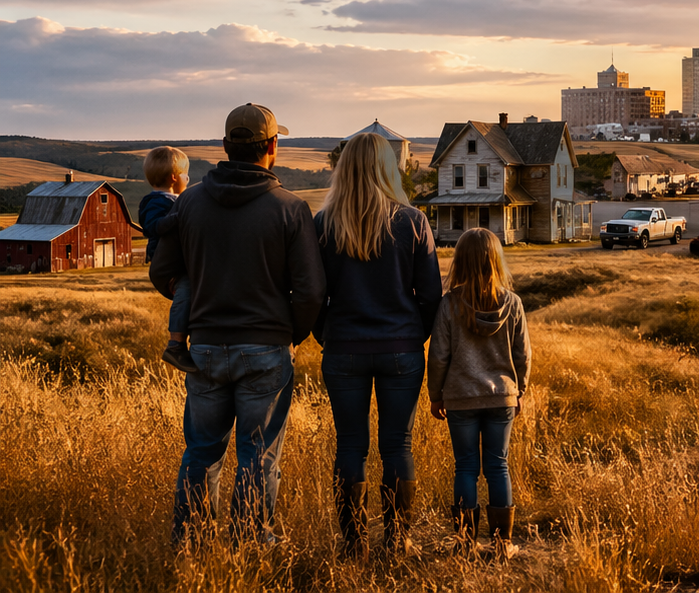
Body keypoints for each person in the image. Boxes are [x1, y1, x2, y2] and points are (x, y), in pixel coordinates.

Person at [149, 103, 325, 545]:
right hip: (266, 349)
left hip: (205, 346)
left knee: (202, 451)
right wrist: (289, 333)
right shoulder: (290, 208)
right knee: (257, 453)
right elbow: (310, 292)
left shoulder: (188, 203)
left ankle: (190, 542)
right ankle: (250, 540)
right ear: (272, 147)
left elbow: (163, 270)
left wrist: (201, 299)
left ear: (226, 147)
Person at [315, 133, 443, 557]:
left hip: (343, 349)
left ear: (344, 168)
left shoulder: (324, 223)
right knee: (398, 447)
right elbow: (430, 296)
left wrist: (327, 333)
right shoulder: (411, 221)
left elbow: (312, 294)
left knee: (350, 446)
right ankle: (397, 541)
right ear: (388, 168)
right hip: (401, 350)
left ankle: (352, 546)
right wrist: (412, 336)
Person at [428, 229, 531, 556]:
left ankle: (464, 544)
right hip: (502, 396)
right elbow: (523, 355)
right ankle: (503, 545)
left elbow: (439, 354)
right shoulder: (512, 304)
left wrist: (435, 394)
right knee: (498, 465)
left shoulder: (449, 304)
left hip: (460, 398)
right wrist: (520, 390)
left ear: (460, 262)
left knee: (466, 467)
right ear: (495, 260)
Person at [140, 145, 194, 373]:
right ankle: (176, 343)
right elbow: (152, 226)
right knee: (186, 289)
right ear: (174, 178)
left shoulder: (174, 201)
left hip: (177, 256)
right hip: (167, 261)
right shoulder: (158, 202)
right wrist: (177, 217)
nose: (188, 179)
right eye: (185, 174)